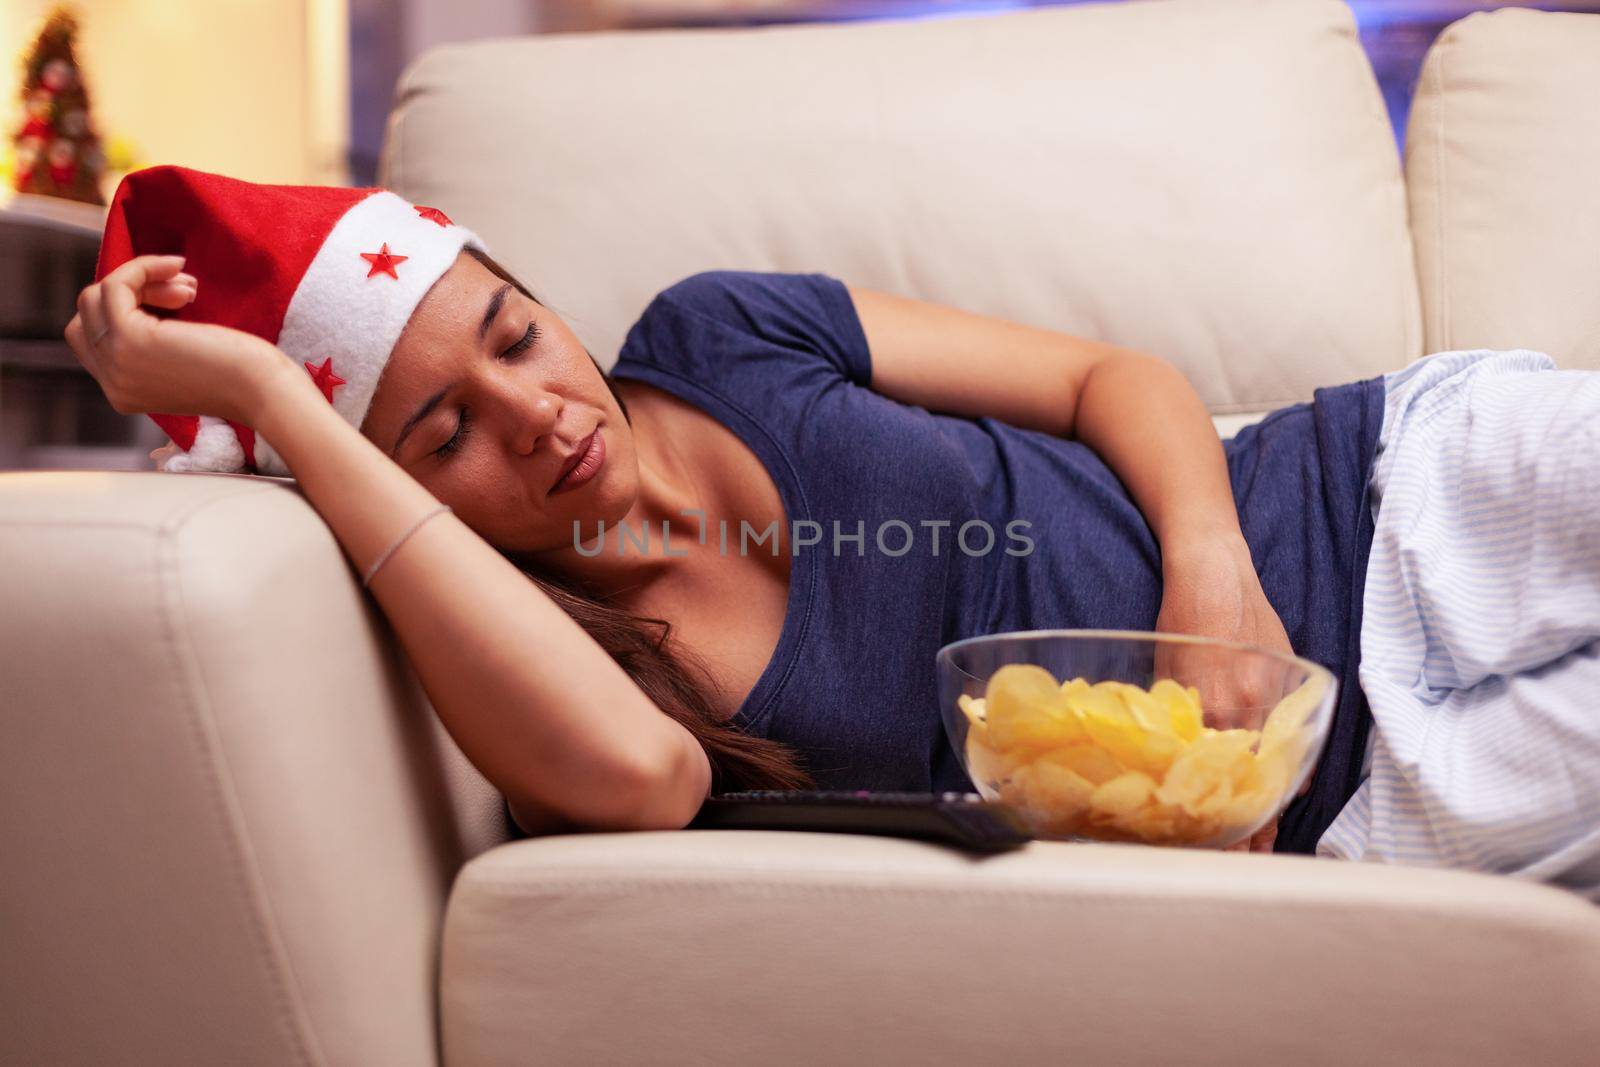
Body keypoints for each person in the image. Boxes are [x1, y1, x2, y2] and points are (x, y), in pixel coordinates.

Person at [68, 167, 1599, 897]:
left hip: (1379, 495)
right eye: (441, 432)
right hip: (1344, 811)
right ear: (387, 487)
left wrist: (1219, 579)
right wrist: (279, 402)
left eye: (512, 335)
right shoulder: (582, 683)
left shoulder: (719, 332)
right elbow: (644, 781)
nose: (535, 411)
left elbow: (1104, 376)